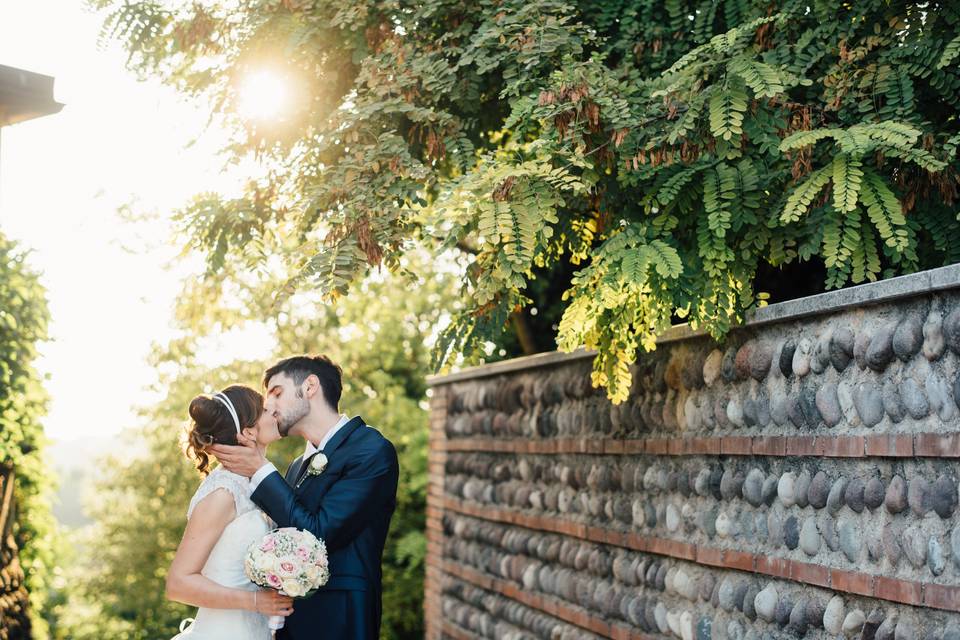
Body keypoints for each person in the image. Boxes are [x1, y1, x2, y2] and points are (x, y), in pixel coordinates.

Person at [213, 355, 399, 640]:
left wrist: (260, 470)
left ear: (310, 386)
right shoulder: (297, 465)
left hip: (341, 619)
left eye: (277, 392)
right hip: (289, 623)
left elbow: (320, 532)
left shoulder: (370, 450)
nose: (268, 406)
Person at [166, 385, 294, 639]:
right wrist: (255, 601)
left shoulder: (255, 482)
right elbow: (178, 583)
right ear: (247, 431)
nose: (275, 412)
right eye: (266, 410)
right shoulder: (223, 492)